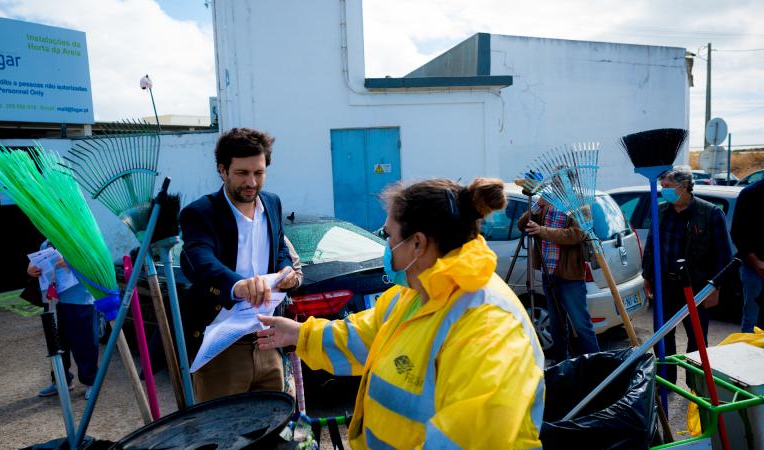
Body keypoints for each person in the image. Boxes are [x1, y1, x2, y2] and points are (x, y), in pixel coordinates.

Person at [257, 178, 545, 449]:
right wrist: (298, 334)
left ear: (417, 244)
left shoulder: (489, 325)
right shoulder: (414, 295)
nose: (385, 245)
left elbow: (471, 437)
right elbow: (362, 336)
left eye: (389, 235)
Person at [179, 127, 299, 402]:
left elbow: (279, 247)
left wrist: (286, 270)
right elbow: (199, 260)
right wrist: (238, 285)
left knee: (273, 430)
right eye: (242, 173)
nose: (252, 182)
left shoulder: (272, 203)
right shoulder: (201, 213)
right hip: (222, 349)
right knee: (223, 438)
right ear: (222, 170)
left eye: (258, 173)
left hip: (268, 339)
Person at [642, 166, 732, 385]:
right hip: (665, 285)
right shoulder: (661, 211)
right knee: (662, 337)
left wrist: (715, 289)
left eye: (668, 187)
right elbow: (651, 247)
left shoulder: (709, 214)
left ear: (683, 188)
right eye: (662, 187)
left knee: (697, 339)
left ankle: (695, 385)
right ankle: (667, 381)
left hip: (698, 289)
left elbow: (724, 257)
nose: (664, 191)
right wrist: (647, 276)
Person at [518, 197, 599, 363]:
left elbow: (575, 235)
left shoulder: (580, 204)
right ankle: (561, 364)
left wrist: (542, 230)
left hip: (570, 276)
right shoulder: (546, 205)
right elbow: (522, 225)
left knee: (581, 325)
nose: (553, 186)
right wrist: (537, 206)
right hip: (549, 273)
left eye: (557, 181)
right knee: (557, 326)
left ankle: (598, 365)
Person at [29, 241, 99, 400]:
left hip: (79, 299)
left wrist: (73, 263)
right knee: (56, 343)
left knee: (84, 343)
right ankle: (61, 381)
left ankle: (91, 382)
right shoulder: (46, 242)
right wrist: (31, 269)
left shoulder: (80, 234)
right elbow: (37, 262)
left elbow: (96, 259)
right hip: (52, 300)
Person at [731, 178, 764, 333]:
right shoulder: (751, 193)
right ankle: (749, 354)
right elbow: (738, 233)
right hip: (756, 270)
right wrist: (756, 262)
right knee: (752, 321)